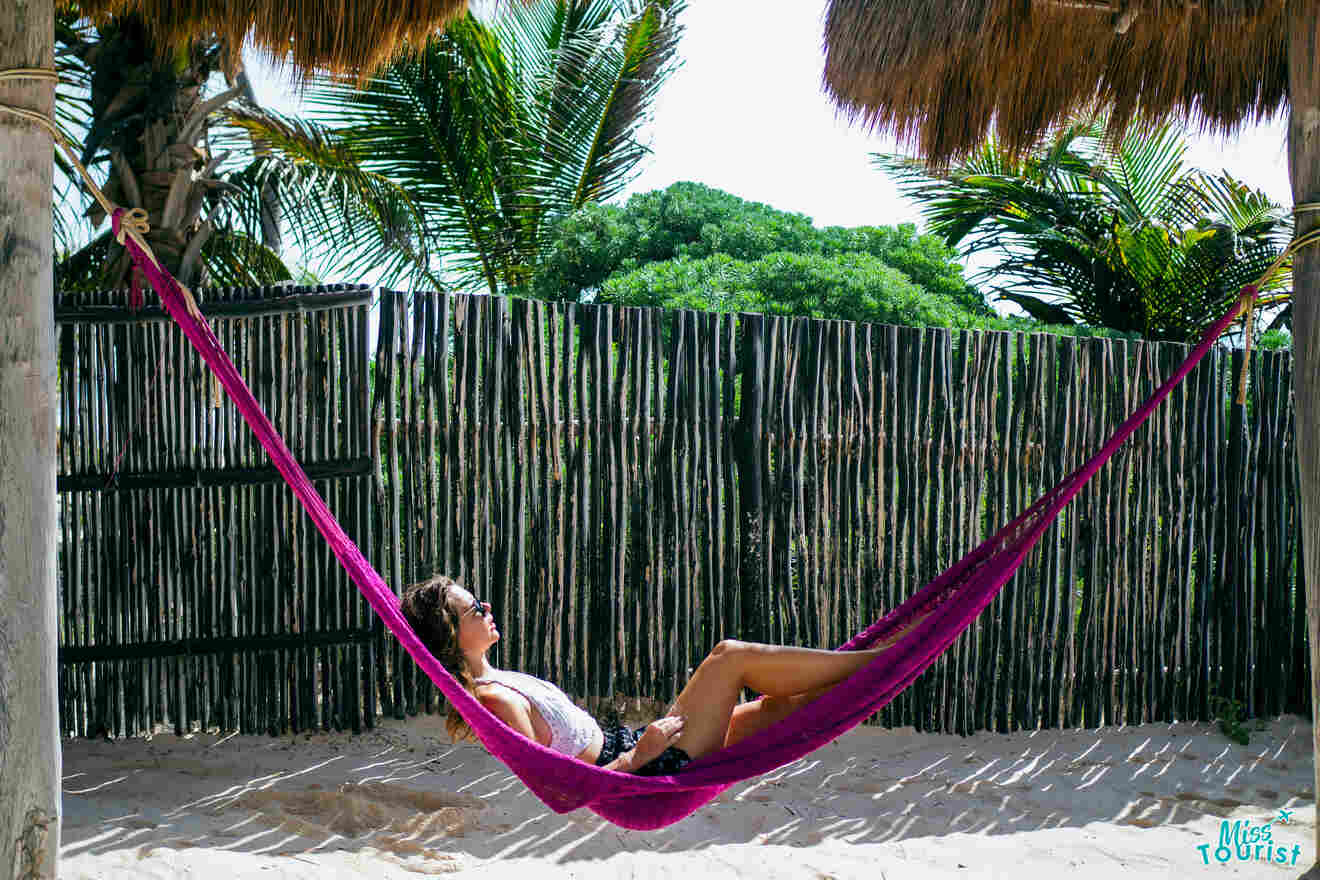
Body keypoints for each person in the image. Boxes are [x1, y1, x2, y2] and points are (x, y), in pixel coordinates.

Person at [399, 574, 908, 776]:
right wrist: (640, 755)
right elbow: (564, 788)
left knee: (787, 709)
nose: (486, 608)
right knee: (729, 657)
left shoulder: (497, 679)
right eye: (472, 610)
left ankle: (879, 660)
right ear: (450, 634)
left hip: (640, 743)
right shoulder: (495, 703)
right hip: (641, 767)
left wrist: (640, 743)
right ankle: (882, 657)